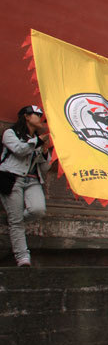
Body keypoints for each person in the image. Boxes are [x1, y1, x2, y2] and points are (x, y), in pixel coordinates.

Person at [1, 105, 51, 267]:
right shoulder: (10, 133)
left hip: (33, 180)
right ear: (27, 116)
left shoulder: (38, 139)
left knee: (38, 210)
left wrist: (45, 152)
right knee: (16, 222)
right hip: (12, 178)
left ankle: (15, 221)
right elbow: (19, 150)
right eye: (37, 115)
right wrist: (38, 142)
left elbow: (45, 168)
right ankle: (23, 258)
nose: (40, 118)